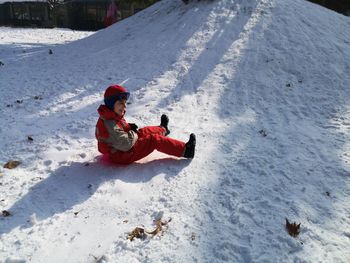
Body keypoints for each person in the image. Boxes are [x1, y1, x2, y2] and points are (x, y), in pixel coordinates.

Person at [95, 85, 196, 165]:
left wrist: (129, 129)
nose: (124, 106)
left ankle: (163, 129)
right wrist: (132, 132)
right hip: (123, 154)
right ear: (111, 103)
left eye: (125, 102)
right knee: (153, 140)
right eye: (121, 103)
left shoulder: (111, 114)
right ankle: (186, 150)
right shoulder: (109, 124)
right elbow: (126, 144)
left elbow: (119, 132)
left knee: (144, 131)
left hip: (122, 145)